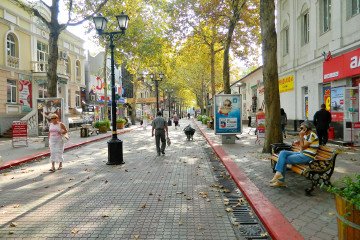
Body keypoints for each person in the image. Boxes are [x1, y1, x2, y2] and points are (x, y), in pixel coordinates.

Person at [269, 121, 319, 187]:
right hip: (301, 153)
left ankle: (280, 180)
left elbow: (303, 147)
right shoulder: (306, 135)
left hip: (307, 156)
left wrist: (301, 136)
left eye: (302, 128)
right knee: (283, 152)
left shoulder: (312, 135)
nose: (300, 129)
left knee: (283, 160)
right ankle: (278, 174)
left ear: (306, 128)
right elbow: (303, 144)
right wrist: (298, 141)